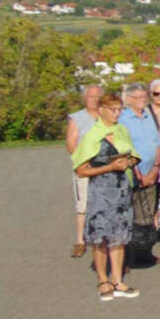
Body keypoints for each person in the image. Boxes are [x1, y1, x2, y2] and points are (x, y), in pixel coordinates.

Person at [72, 92, 141, 301]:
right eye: (113, 109)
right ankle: (103, 280)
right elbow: (81, 169)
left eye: (120, 109)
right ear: (101, 110)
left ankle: (117, 279)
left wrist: (127, 162)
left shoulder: (122, 130)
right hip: (101, 192)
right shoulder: (93, 134)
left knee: (119, 236)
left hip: (121, 189)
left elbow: (135, 156)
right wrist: (109, 167)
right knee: (100, 238)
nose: (117, 113)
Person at [118, 83, 160, 268]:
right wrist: (138, 173)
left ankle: (145, 253)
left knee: (146, 217)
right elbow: (125, 149)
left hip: (150, 173)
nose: (143, 100)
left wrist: (155, 168)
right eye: (138, 97)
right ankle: (126, 259)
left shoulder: (147, 116)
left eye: (145, 96)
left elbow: (157, 144)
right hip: (133, 175)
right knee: (129, 216)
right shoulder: (123, 119)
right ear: (128, 99)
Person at [66, 84, 102, 258]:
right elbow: (71, 145)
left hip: (103, 167)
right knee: (83, 205)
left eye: (97, 96)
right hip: (85, 167)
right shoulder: (77, 118)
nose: (94, 100)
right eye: (91, 96)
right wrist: (83, 162)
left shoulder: (105, 116)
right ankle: (80, 240)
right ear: (85, 98)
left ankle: (100, 237)